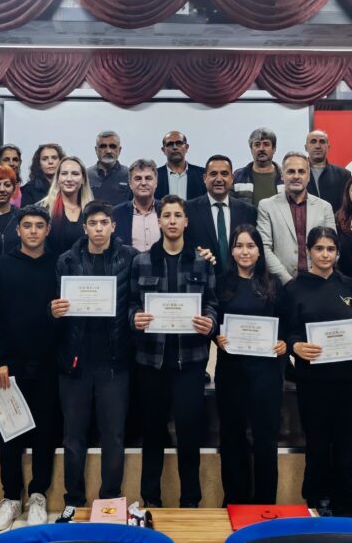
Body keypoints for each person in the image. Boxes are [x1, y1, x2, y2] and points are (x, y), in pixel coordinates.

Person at [129, 195, 218, 508]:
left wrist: (210, 321)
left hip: (190, 362)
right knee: (153, 433)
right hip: (151, 361)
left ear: (186, 221)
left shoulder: (202, 262)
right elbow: (131, 304)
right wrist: (134, 318)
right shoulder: (141, 261)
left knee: (189, 434)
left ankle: (190, 500)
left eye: (177, 215)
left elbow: (212, 302)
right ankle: (150, 499)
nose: (171, 221)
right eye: (166, 215)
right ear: (159, 221)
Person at [51, 201, 135, 523]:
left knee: (113, 436)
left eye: (104, 222)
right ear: (84, 227)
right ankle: (72, 500)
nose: (99, 228)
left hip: (114, 361)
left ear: (113, 225)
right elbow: (54, 309)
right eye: (93, 223)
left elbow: (136, 302)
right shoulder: (66, 260)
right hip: (75, 362)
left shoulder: (130, 258)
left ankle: (110, 501)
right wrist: (53, 311)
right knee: (73, 437)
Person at [284, 226, 352, 517]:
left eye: (330, 249)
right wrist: (296, 346)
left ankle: (346, 504)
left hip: (350, 380)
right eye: (319, 248)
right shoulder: (293, 289)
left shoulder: (351, 287)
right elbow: (286, 332)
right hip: (313, 381)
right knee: (317, 445)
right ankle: (316, 499)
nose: (325, 254)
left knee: (346, 448)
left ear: (338, 253)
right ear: (308, 251)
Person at [0, 206, 60, 530]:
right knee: (10, 433)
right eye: (27, 225)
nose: (32, 231)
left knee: (45, 432)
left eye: (39, 225)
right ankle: (11, 497)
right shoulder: (0, 266)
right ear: (18, 230)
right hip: (10, 365)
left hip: (48, 363)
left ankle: (38, 495)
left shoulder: (59, 265)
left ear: (47, 230)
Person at [214, 224, 286, 505]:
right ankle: (235, 500)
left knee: (265, 439)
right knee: (232, 437)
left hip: (265, 374)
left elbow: (287, 325)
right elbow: (211, 320)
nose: (245, 251)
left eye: (250, 246)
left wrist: (283, 343)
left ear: (259, 251)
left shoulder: (274, 284)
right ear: (231, 251)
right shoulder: (221, 283)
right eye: (239, 246)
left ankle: (265, 503)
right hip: (231, 372)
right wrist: (215, 336)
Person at [257, 152, 337, 285]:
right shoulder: (267, 206)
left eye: (301, 171)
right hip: (281, 285)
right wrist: (287, 282)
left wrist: (318, 276)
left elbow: (333, 247)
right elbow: (264, 248)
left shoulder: (324, 207)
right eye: (290, 171)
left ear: (308, 176)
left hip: (318, 283)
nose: (296, 176)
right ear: (282, 175)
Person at [185, 155, 257, 275]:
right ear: (204, 178)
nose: (219, 179)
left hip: (238, 281)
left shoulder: (248, 211)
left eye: (224, 174)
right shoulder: (188, 209)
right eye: (213, 174)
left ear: (232, 178)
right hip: (202, 279)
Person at [43, 156, 95, 256]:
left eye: (75, 174)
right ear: (58, 178)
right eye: (64, 173)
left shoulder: (93, 211)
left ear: (83, 179)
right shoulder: (43, 208)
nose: (69, 179)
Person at [112, 159, 160, 253]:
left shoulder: (167, 211)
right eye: (138, 179)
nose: (143, 183)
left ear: (156, 183)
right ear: (130, 184)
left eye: (148, 178)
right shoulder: (116, 214)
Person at [233, 128, 283, 207]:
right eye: (257, 144)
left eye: (266, 144)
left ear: (274, 149)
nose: (261, 149)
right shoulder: (238, 176)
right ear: (251, 149)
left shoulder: (285, 177)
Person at [305, 130, 351, 213]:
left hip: (335, 221)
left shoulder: (343, 175)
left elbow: (348, 205)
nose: (318, 146)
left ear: (328, 147)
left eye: (322, 142)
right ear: (306, 147)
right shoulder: (297, 175)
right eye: (313, 142)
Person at [155, 131, 205, 200]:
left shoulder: (202, 174)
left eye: (179, 143)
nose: (175, 147)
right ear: (163, 150)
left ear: (186, 147)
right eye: (170, 144)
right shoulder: (155, 176)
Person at [87, 130, 131, 204]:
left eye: (113, 146)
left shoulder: (130, 175)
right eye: (103, 146)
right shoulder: (86, 175)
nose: (108, 151)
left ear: (119, 150)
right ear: (96, 150)